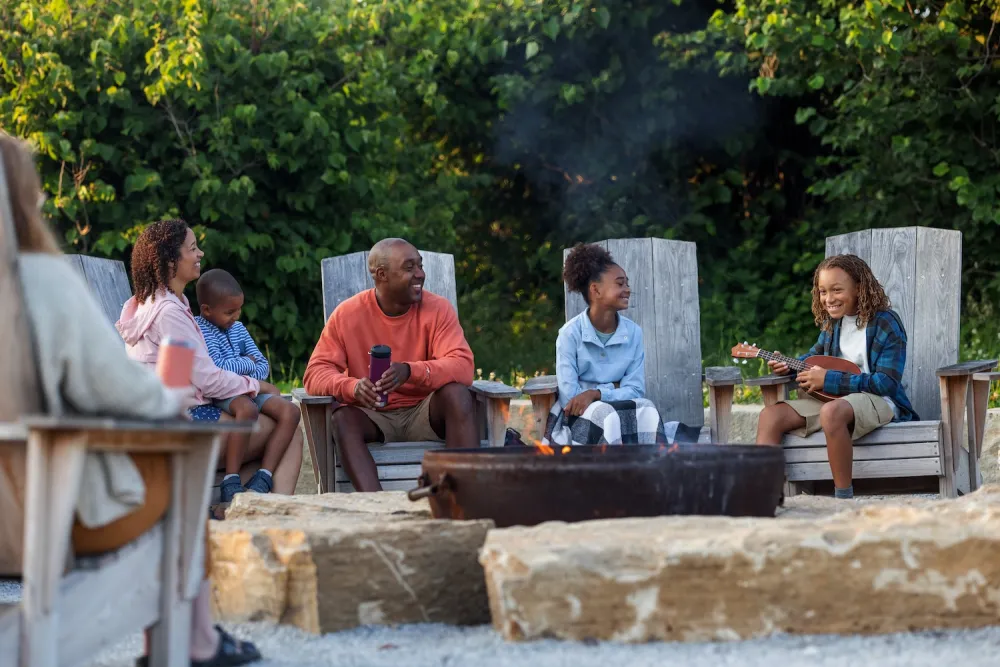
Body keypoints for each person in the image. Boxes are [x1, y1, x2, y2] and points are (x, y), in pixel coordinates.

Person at [0, 132, 261, 666]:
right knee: (183, 478)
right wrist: (173, 397)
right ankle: (196, 642)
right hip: (48, 510)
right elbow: (121, 389)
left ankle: (193, 640)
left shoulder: (142, 307)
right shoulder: (39, 282)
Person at [116, 218, 303, 495]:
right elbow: (207, 379)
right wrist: (257, 385)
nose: (200, 254)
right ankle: (265, 513)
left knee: (273, 438)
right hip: (178, 424)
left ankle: (238, 505)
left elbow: (180, 376)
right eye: (193, 248)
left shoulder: (155, 303)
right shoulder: (168, 313)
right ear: (170, 262)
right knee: (288, 433)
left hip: (168, 415)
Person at [302, 238, 477, 491]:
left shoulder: (438, 309)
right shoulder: (347, 315)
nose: (420, 274)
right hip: (372, 413)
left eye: (420, 266)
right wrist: (351, 387)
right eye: (409, 267)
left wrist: (411, 371)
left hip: (424, 411)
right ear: (381, 275)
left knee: (458, 395)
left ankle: (459, 497)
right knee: (342, 420)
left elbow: (462, 366)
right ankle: (377, 505)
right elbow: (315, 373)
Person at [754, 254, 918, 499]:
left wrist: (828, 380)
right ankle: (764, 497)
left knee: (831, 412)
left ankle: (842, 498)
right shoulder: (833, 325)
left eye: (837, 290)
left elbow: (885, 382)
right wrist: (788, 366)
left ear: (859, 288)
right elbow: (813, 359)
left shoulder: (886, 323)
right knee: (771, 416)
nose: (828, 299)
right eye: (823, 291)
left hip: (877, 399)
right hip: (834, 397)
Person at [544, 243, 699, 446]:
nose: (628, 289)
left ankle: (651, 464)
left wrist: (595, 392)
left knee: (647, 409)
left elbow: (635, 390)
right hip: (579, 417)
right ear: (596, 290)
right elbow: (571, 399)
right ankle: (612, 466)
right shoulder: (570, 334)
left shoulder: (633, 333)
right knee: (607, 415)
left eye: (627, 283)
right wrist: (615, 386)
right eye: (620, 284)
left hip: (618, 409)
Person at [195, 268, 300, 501]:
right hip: (223, 392)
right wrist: (247, 363)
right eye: (229, 312)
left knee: (291, 411)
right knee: (246, 409)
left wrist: (247, 368)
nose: (236, 316)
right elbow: (218, 368)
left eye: (239, 309)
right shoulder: (200, 330)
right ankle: (231, 480)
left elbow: (263, 365)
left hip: (249, 388)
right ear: (207, 310)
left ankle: (264, 476)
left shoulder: (238, 329)